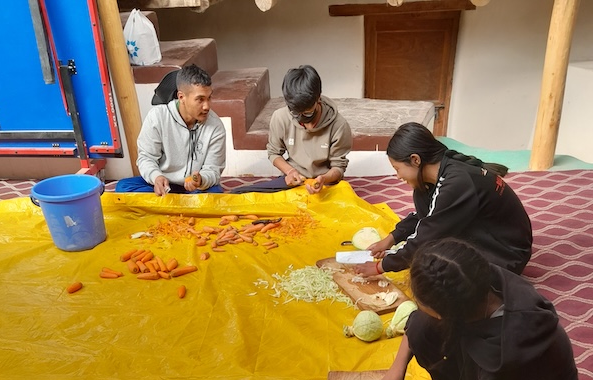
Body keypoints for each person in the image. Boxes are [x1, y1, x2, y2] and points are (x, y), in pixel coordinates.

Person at [339, 238, 580, 380]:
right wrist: (396, 371)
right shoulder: (474, 277)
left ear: (450, 317)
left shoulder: (510, 357)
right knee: (422, 327)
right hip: (493, 373)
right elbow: (418, 322)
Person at [354, 122, 532, 278]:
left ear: (415, 160)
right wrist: (390, 239)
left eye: (397, 168)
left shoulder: (456, 183)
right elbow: (428, 216)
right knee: (422, 203)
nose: (398, 176)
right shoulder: (441, 173)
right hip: (490, 240)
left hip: (506, 256)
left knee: (431, 272)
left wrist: (381, 267)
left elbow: (427, 236)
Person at [231, 65, 352, 195]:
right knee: (239, 195)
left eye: (307, 113)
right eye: (295, 112)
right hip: (294, 180)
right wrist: (290, 171)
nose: (301, 118)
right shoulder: (280, 117)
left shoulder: (339, 125)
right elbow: (274, 153)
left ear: (318, 99)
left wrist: (323, 179)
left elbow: (338, 168)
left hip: (325, 184)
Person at [115, 65, 226, 196]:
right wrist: (156, 177)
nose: (207, 106)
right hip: (164, 184)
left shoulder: (215, 126)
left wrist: (201, 180)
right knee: (123, 187)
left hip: (195, 189)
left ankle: (167, 205)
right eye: (200, 99)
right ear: (181, 97)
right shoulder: (157, 117)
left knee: (216, 192)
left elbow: (213, 170)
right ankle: (185, 205)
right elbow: (146, 158)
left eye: (209, 98)